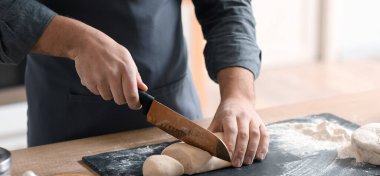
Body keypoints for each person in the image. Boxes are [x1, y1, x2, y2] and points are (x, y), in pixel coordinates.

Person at [0, 0, 269, 167]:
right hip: (66, 127)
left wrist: (239, 95)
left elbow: (227, 7)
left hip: (173, 110)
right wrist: (76, 40)